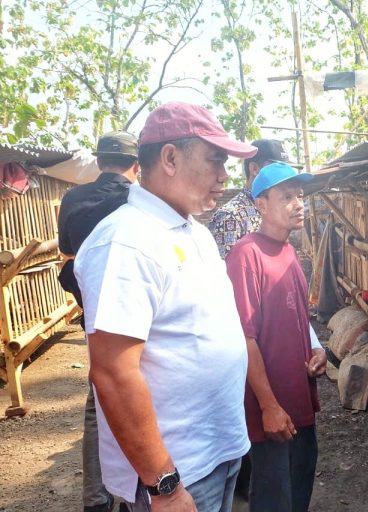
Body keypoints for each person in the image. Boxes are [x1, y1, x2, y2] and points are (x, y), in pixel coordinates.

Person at [74, 102, 257, 512]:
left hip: (218, 452)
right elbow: (114, 374)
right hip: (180, 472)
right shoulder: (125, 242)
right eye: (215, 160)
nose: (224, 176)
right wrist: (166, 486)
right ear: (170, 158)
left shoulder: (192, 230)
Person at [225, 162, 327, 512]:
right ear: (261, 204)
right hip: (271, 407)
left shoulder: (289, 251)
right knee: (273, 496)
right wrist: (268, 406)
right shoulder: (246, 254)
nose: (298, 204)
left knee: (299, 488)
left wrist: (316, 348)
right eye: (286, 197)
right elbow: (244, 336)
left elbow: (298, 316)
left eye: (300, 195)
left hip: (299, 398)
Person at [57, 131, 140, 512]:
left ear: (99, 161)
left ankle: (96, 499)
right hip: (134, 318)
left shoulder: (72, 198)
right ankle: (133, 493)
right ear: (137, 165)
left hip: (95, 318)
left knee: (99, 405)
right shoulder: (134, 201)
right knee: (137, 400)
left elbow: (69, 258)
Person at [208, 139, 294, 258]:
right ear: (254, 169)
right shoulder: (230, 217)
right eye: (276, 170)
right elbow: (224, 271)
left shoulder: (278, 210)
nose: (285, 176)